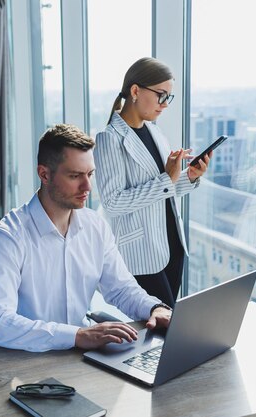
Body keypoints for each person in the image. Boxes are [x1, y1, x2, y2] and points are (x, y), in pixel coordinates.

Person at [0, 124, 172, 352]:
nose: (87, 186)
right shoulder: (6, 238)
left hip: (83, 358)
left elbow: (121, 288)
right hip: (26, 360)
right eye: (75, 176)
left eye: (90, 174)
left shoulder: (95, 226)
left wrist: (155, 308)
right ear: (44, 174)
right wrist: (76, 335)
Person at [94, 57, 210, 308]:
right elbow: (113, 202)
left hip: (171, 245)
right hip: (141, 253)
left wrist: (188, 177)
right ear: (135, 91)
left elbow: (163, 189)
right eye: (161, 95)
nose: (165, 104)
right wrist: (166, 179)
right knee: (163, 324)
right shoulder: (109, 139)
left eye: (169, 97)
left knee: (164, 328)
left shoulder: (154, 131)